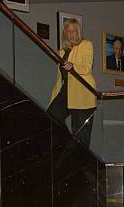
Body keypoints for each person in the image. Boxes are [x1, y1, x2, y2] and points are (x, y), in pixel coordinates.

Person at [48, 19, 97, 150]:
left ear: (78, 32)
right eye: (68, 32)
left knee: (81, 134)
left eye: (74, 31)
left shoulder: (86, 44)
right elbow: (60, 76)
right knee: (51, 115)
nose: (71, 34)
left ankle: (83, 164)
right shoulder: (62, 51)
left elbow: (87, 67)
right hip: (66, 91)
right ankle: (68, 143)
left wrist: (73, 66)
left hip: (83, 92)